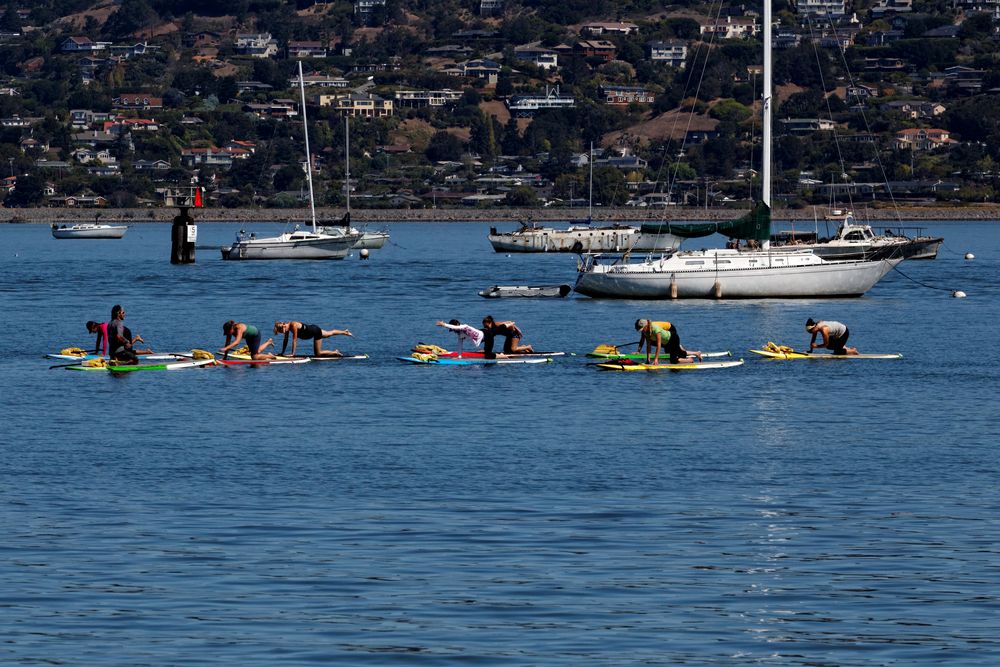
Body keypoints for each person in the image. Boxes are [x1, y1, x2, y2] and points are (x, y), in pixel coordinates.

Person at [635, 319, 702, 365]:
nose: (642, 331)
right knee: (679, 353)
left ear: (646, 326)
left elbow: (659, 345)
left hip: (673, 338)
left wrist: (656, 359)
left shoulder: (655, 329)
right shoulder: (646, 333)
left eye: (643, 329)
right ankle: (696, 353)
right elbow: (648, 346)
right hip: (666, 342)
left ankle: (690, 360)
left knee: (673, 361)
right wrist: (648, 360)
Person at [273, 321, 351, 357]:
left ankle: (335, 352)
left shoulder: (293, 325)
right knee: (329, 333)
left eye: (280, 331)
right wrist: (282, 353)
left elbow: (294, 339)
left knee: (318, 354)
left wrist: (293, 354)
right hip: (313, 329)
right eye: (280, 332)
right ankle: (345, 332)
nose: (282, 332)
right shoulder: (287, 328)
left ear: (283, 325)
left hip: (315, 331)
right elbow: (285, 340)